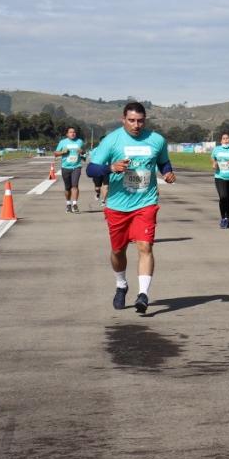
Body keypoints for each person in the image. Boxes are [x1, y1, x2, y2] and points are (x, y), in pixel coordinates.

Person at [86, 102, 175, 315]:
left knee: (145, 247)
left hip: (146, 203)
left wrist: (168, 173)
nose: (136, 125)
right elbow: (90, 169)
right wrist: (110, 167)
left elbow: (164, 162)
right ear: (123, 119)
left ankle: (143, 294)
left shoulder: (156, 140)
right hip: (117, 205)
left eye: (140, 121)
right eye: (132, 120)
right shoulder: (111, 140)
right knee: (118, 251)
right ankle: (121, 284)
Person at [53, 127, 87, 214]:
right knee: (67, 188)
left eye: (74, 132)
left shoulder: (80, 141)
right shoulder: (62, 142)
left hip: (77, 166)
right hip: (65, 167)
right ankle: (68, 203)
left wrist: (82, 152)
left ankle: (75, 204)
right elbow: (56, 153)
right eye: (71, 132)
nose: (73, 133)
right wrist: (63, 152)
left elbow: (84, 153)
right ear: (67, 134)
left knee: (75, 185)